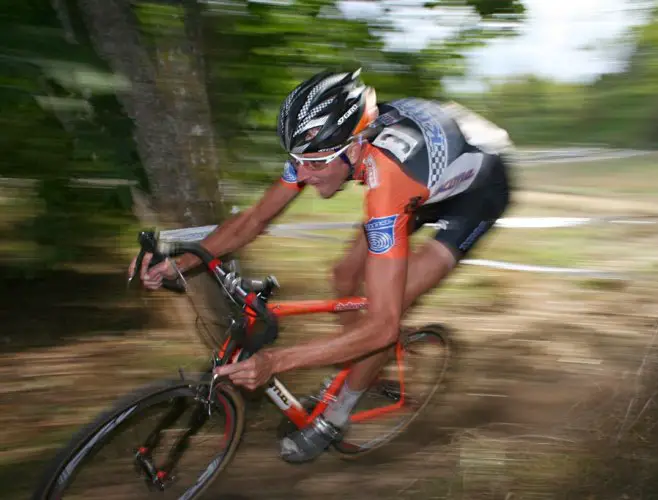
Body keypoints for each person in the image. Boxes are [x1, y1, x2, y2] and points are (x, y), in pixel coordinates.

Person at [129, 68, 513, 463]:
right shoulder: (322, 150)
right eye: (297, 161)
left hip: (476, 194)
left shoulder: (387, 180)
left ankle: (338, 414)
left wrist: (277, 361)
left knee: (388, 312)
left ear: (355, 147)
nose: (303, 174)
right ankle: (359, 365)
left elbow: (382, 325)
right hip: (429, 171)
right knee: (343, 274)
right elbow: (255, 220)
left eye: (314, 163)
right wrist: (185, 262)